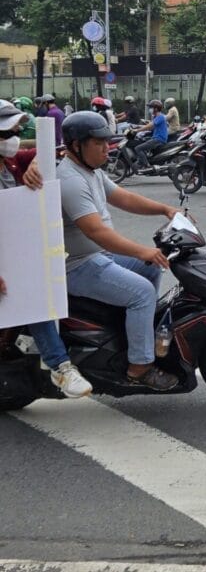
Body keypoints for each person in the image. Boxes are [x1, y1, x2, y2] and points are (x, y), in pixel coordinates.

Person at [57, 111, 179, 391]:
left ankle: (129, 333)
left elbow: (123, 198)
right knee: (142, 293)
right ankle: (139, 368)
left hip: (97, 257)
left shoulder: (91, 171)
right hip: (77, 265)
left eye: (107, 141)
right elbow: (97, 233)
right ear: (76, 146)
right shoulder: (71, 180)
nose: (106, 148)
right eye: (98, 143)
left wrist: (164, 209)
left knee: (152, 266)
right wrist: (141, 251)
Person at [0, 100, 92, 398]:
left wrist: (36, 165)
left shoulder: (11, 163)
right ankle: (60, 366)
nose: (12, 139)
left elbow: (47, 152)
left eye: (15, 131)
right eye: (5, 134)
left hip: (17, 253)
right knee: (33, 298)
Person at [134, 99, 168, 170]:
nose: (150, 109)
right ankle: (141, 163)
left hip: (158, 139)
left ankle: (147, 165)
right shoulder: (156, 117)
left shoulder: (160, 117)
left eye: (151, 107)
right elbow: (150, 127)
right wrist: (138, 127)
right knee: (142, 142)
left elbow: (150, 126)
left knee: (138, 148)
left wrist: (137, 130)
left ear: (156, 108)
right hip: (156, 138)